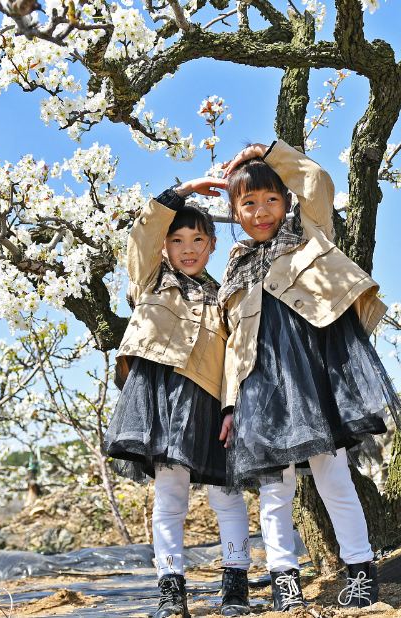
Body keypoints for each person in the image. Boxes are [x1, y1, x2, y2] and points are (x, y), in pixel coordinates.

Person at [217, 141, 401, 610]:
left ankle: (361, 570)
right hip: (260, 388)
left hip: (315, 380)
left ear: (285, 202)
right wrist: (228, 404)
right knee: (275, 489)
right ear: (235, 212)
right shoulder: (234, 268)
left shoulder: (308, 232)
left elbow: (317, 183)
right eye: (249, 204)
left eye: (271, 200)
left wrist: (271, 151)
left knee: (334, 477)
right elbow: (231, 347)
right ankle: (284, 577)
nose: (261, 212)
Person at [103, 179, 252, 618]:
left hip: (209, 400)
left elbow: (234, 357)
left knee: (227, 496)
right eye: (178, 240)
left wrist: (231, 407)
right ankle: (171, 589)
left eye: (198, 241)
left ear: (211, 246)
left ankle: (236, 586)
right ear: (166, 246)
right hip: (161, 397)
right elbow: (142, 234)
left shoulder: (222, 298)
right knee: (170, 496)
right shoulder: (150, 279)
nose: (188, 249)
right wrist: (183, 190)